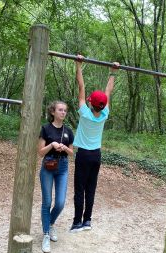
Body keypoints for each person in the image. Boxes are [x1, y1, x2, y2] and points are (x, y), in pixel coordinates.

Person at [70, 55, 119, 233]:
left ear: (91, 104)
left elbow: (81, 86)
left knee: (79, 189)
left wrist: (78, 64)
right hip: (96, 156)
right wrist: (113, 71)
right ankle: (87, 221)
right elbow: (108, 92)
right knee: (91, 188)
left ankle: (77, 223)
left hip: (83, 155)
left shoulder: (84, 112)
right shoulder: (105, 113)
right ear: (103, 105)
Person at [38, 101, 74, 253]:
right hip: (48, 166)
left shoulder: (68, 131)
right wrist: (52, 145)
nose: (63, 112)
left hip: (63, 167)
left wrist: (65, 148)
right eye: (60, 110)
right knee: (47, 202)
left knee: (60, 203)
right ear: (53, 112)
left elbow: (72, 153)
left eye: (65, 110)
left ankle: (50, 223)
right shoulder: (45, 128)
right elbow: (40, 152)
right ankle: (46, 233)